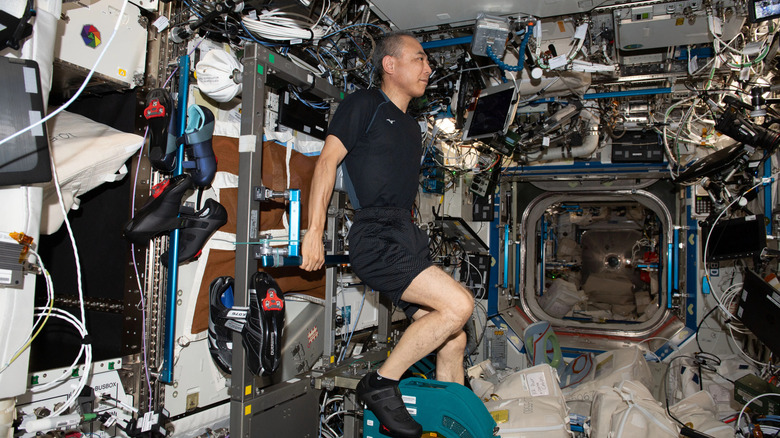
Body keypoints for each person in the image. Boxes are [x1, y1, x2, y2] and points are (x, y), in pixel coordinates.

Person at [300, 31, 474, 437]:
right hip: (375, 237)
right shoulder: (363, 104)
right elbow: (326, 164)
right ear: (389, 65)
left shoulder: (412, 129)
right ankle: (380, 384)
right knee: (458, 306)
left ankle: (451, 422)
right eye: (419, 59)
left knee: (455, 340)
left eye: (428, 62)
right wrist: (315, 232)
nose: (428, 69)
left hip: (404, 234)